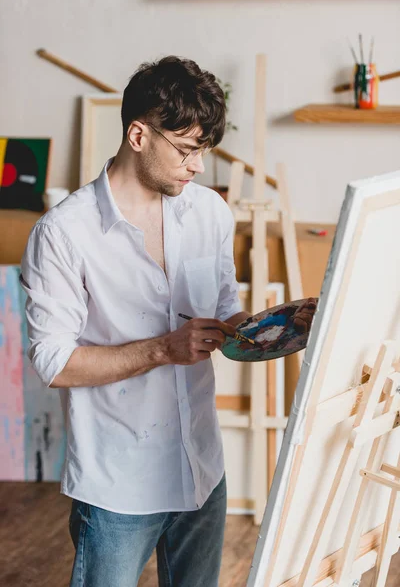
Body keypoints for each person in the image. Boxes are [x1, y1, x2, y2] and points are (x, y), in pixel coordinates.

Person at [20, 56, 251, 587]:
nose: (198, 167)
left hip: (201, 467)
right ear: (138, 134)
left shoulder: (209, 212)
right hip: (118, 484)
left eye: (204, 151)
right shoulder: (63, 234)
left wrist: (275, 329)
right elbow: (54, 363)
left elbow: (222, 311)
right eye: (188, 150)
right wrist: (165, 349)